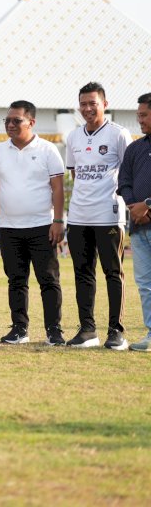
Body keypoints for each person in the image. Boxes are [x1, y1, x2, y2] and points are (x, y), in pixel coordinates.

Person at [0, 101, 66, 345]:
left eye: (16, 120)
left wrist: (58, 220)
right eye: (7, 120)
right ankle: (19, 329)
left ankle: (54, 330)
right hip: (9, 228)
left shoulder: (48, 150)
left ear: (31, 122)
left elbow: (58, 188)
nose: (10, 124)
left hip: (41, 226)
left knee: (48, 280)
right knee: (16, 281)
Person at [65, 81, 133, 350]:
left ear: (105, 104)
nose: (88, 108)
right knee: (83, 274)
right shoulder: (74, 136)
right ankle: (87, 330)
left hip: (109, 215)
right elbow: (75, 173)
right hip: (79, 216)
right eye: (83, 103)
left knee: (113, 273)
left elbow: (128, 173)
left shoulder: (119, 134)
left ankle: (116, 331)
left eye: (93, 103)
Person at [117, 92, 151, 352]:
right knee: (145, 285)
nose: (139, 120)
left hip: (144, 216)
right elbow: (124, 183)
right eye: (138, 115)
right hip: (139, 228)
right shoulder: (135, 149)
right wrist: (134, 206)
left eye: (144, 115)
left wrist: (147, 205)